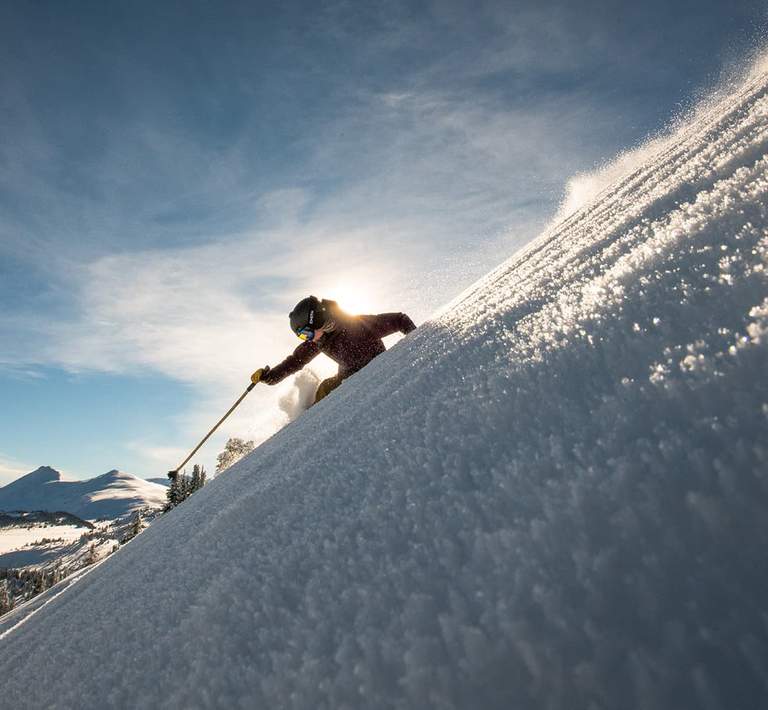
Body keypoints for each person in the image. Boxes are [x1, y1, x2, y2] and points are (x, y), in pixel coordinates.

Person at [251, 296, 416, 404]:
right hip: (347, 376)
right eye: (302, 337)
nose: (308, 339)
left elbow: (399, 320)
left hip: (375, 370)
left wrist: (420, 342)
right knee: (324, 389)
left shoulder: (356, 325)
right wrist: (270, 377)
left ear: (316, 320)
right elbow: (295, 361)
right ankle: (311, 422)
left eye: (306, 333)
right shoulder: (319, 340)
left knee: (331, 392)